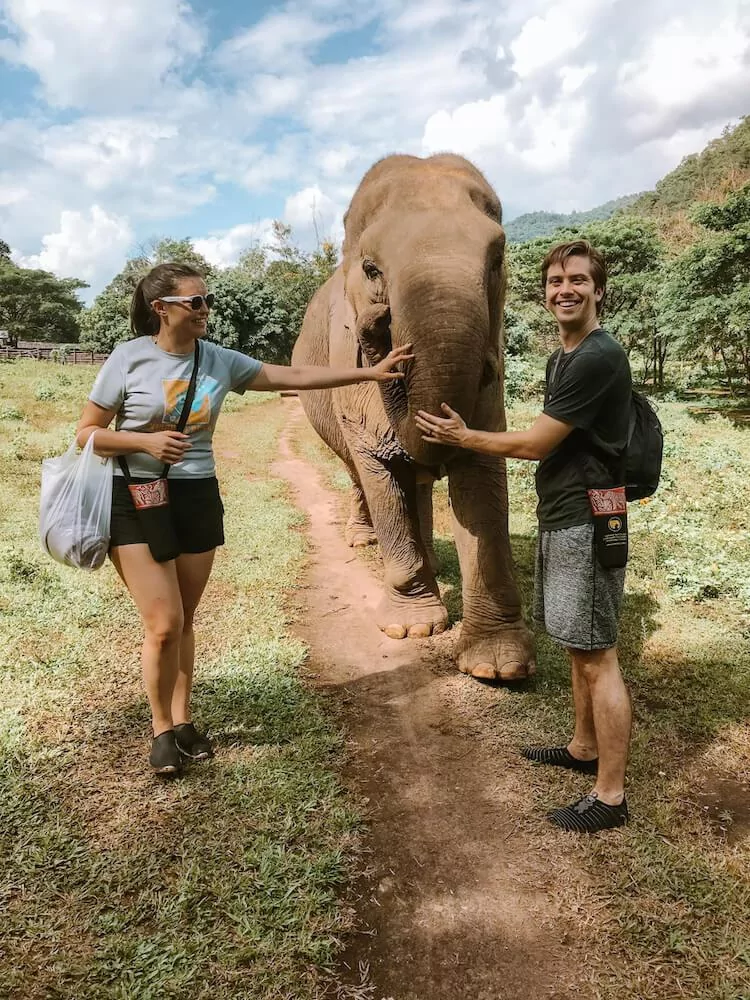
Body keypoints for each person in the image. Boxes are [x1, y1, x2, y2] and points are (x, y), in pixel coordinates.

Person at [76, 262, 412, 777]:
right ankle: (161, 729)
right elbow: (86, 434)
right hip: (133, 496)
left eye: (206, 300)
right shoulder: (128, 359)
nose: (205, 310)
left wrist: (369, 371)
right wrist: (144, 440)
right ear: (160, 309)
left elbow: (293, 375)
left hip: (195, 497)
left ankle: (185, 721)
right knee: (163, 623)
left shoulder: (218, 361)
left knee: (186, 618)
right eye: (194, 302)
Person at [415, 240, 633, 833]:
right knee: (576, 644)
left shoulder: (596, 357)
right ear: (543, 292)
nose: (566, 289)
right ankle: (582, 747)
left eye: (579, 281)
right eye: (556, 281)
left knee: (597, 654)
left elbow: (536, 443)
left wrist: (465, 438)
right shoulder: (565, 356)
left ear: (599, 289)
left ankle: (610, 797)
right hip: (566, 514)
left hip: (588, 520)